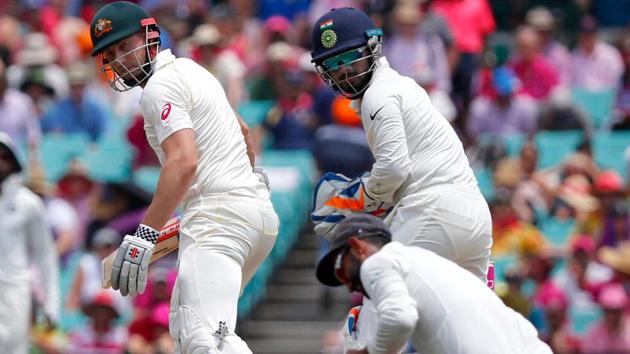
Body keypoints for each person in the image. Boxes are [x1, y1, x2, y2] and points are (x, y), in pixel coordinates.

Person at [89, 2, 279, 353]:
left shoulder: (159, 87)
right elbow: (244, 131)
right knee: (187, 330)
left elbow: (184, 162)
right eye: (111, 53)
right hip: (252, 216)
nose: (120, 59)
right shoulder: (193, 70)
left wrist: (145, 236)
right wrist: (241, 187)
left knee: (203, 338)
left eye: (125, 46)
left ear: (150, 36)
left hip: (218, 219)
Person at [310, 6, 492, 282]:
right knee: (467, 320)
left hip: (434, 212)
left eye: (350, 58)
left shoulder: (378, 96)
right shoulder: (399, 86)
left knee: (381, 295)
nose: (344, 71)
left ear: (373, 48)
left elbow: (394, 170)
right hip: (474, 216)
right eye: (333, 65)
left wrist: (352, 199)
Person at [316, 214, 552, 354]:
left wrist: (369, 352)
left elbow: (399, 318)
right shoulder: (430, 265)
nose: (347, 285)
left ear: (357, 247)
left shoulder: (378, 262)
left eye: (342, 270)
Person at [0, 132, 59, 354]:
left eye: (4, 156)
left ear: (13, 161)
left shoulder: (28, 203)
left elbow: (45, 254)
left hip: (15, 290)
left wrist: (51, 304)